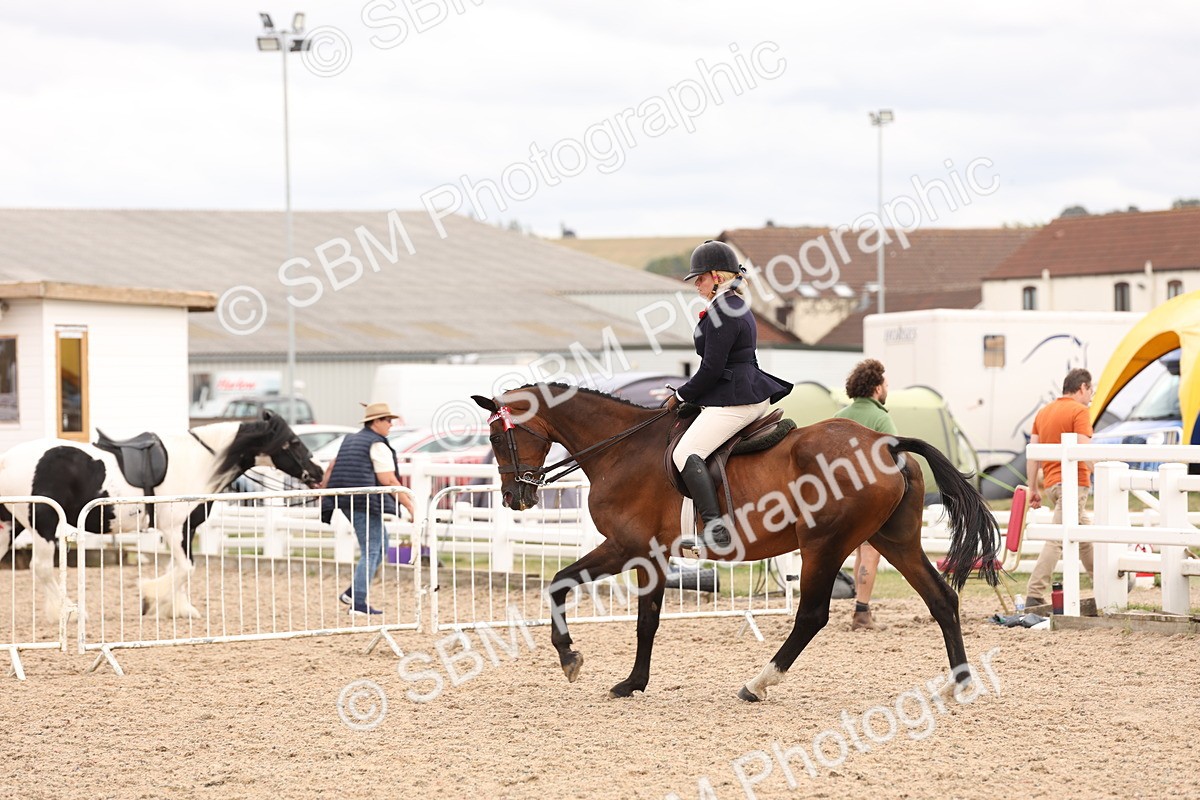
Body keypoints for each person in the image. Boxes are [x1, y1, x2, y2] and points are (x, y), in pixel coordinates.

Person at [672, 240, 792, 551]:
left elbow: (712, 369)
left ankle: (716, 529)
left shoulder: (725, 310)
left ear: (716, 276)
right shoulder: (731, 305)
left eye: (700, 278)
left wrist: (683, 395)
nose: (696, 284)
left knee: (684, 453)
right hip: (738, 390)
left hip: (737, 398)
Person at [320, 402, 417, 616]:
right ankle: (359, 602)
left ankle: (353, 593)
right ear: (376, 422)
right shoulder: (377, 444)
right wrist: (410, 505)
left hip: (345, 499)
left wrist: (323, 491)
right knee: (373, 549)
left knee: (380, 544)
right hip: (362, 500)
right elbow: (388, 479)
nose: (391, 425)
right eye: (388, 421)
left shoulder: (350, 439)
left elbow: (331, 466)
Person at [833, 359, 897, 632]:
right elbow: (894, 458)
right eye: (884, 383)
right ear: (876, 388)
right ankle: (862, 612)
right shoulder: (881, 417)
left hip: (837, 497)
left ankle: (857, 607)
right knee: (870, 552)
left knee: (854, 551)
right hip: (868, 495)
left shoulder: (839, 416)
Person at [1025, 368, 1095, 607]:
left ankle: (1104, 581)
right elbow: (1085, 451)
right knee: (1057, 539)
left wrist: (1033, 487)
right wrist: (1104, 474)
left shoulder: (1043, 413)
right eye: (1090, 390)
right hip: (1074, 484)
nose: (1091, 396)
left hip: (1052, 484)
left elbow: (1033, 455)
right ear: (1082, 387)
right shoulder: (1079, 411)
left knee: (1085, 537)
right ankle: (1034, 591)